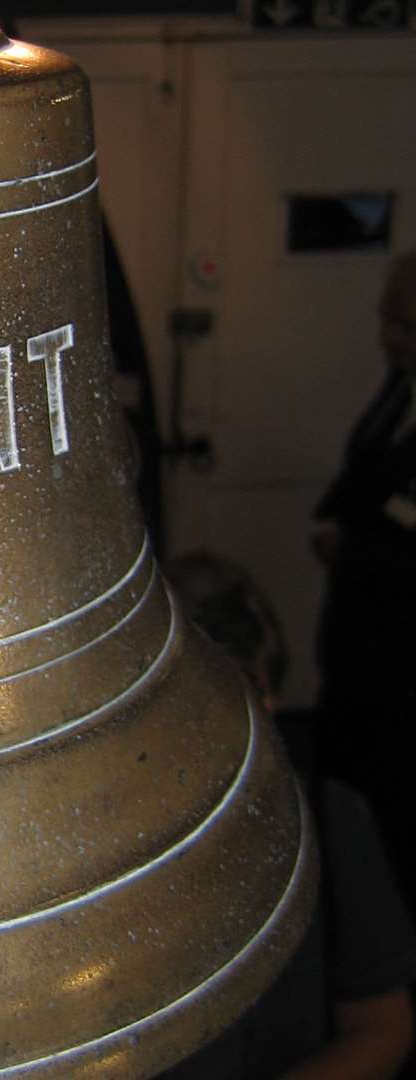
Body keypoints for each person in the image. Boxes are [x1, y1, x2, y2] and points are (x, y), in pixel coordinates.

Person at [162, 552, 416, 1079]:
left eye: (242, 694)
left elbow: (383, 1026)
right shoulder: (102, 849)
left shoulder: (328, 821)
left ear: (267, 695)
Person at [312, 251, 416, 920]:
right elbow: (364, 475)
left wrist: (354, 547)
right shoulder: (397, 388)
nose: (384, 337)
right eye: (384, 319)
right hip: (357, 654)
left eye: (402, 325)